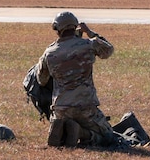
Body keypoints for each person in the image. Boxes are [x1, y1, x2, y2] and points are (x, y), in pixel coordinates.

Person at [35, 11, 122, 148]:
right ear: (75, 26)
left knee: (64, 121)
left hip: (60, 108)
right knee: (109, 138)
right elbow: (108, 50)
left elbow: (41, 80)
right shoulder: (88, 45)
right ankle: (82, 133)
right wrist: (89, 32)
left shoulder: (49, 52)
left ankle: (61, 127)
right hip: (85, 106)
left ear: (56, 29)